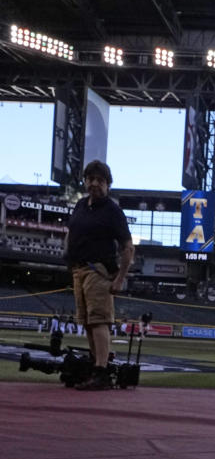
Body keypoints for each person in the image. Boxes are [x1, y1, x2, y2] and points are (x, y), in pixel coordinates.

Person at [65, 160, 134, 390]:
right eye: (91, 179)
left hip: (98, 270)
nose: (94, 184)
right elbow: (72, 232)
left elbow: (127, 247)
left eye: (100, 180)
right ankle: (96, 366)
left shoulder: (113, 211)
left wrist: (120, 278)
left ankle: (102, 371)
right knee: (86, 322)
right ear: (85, 181)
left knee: (98, 321)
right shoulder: (81, 206)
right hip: (79, 269)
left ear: (108, 185)